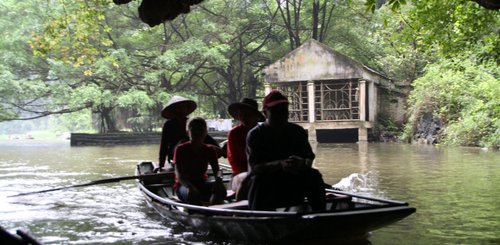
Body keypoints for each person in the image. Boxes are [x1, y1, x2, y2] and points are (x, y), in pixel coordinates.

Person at [246, 90, 326, 211]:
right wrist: (280, 164)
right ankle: (259, 219)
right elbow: (255, 167)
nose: (281, 114)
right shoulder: (255, 134)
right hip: (268, 178)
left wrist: (302, 163)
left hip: (293, 176)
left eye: (284, 110)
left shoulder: (297, 131)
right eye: (276, 111)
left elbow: (309, 157)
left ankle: (320, 215)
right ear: (265, 113)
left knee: (314, 175)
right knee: (258, 180)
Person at [158, 96, 222, 171]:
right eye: (178, 107)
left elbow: (205, 136)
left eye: (183, 107)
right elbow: (164, 145)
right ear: (173, 109)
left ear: (186, 108)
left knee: (210, 146)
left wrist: (217, 148)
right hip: (177, 153)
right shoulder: (168, 125)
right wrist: (161, 165)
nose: (181, 109)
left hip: (194, 150)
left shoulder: (192, 122)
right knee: (182, 142)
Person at [173, 117, 227, 205]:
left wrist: (219, 181)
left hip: (202, 183)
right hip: (184, 185)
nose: (197, 132)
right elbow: (179, 176)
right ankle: (201, 210)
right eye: (194, 129)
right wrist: (190, 187)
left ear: (206, 132)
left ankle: (211, 209)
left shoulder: (210, 149)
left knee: (221, 191)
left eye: (200, 129)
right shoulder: (180, 149)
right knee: (193, 194)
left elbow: (217, 171)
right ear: (188, 132)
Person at [226, 98, 265, 200]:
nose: (243, 117)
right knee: (246, 180)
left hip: (262, 172)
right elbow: (233, 160)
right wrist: (250, 173)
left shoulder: (262, 132)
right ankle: (237, 212)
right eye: (241, 114)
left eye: (247, 114)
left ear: (255, 115)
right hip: (240, 174)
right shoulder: (234, 133)